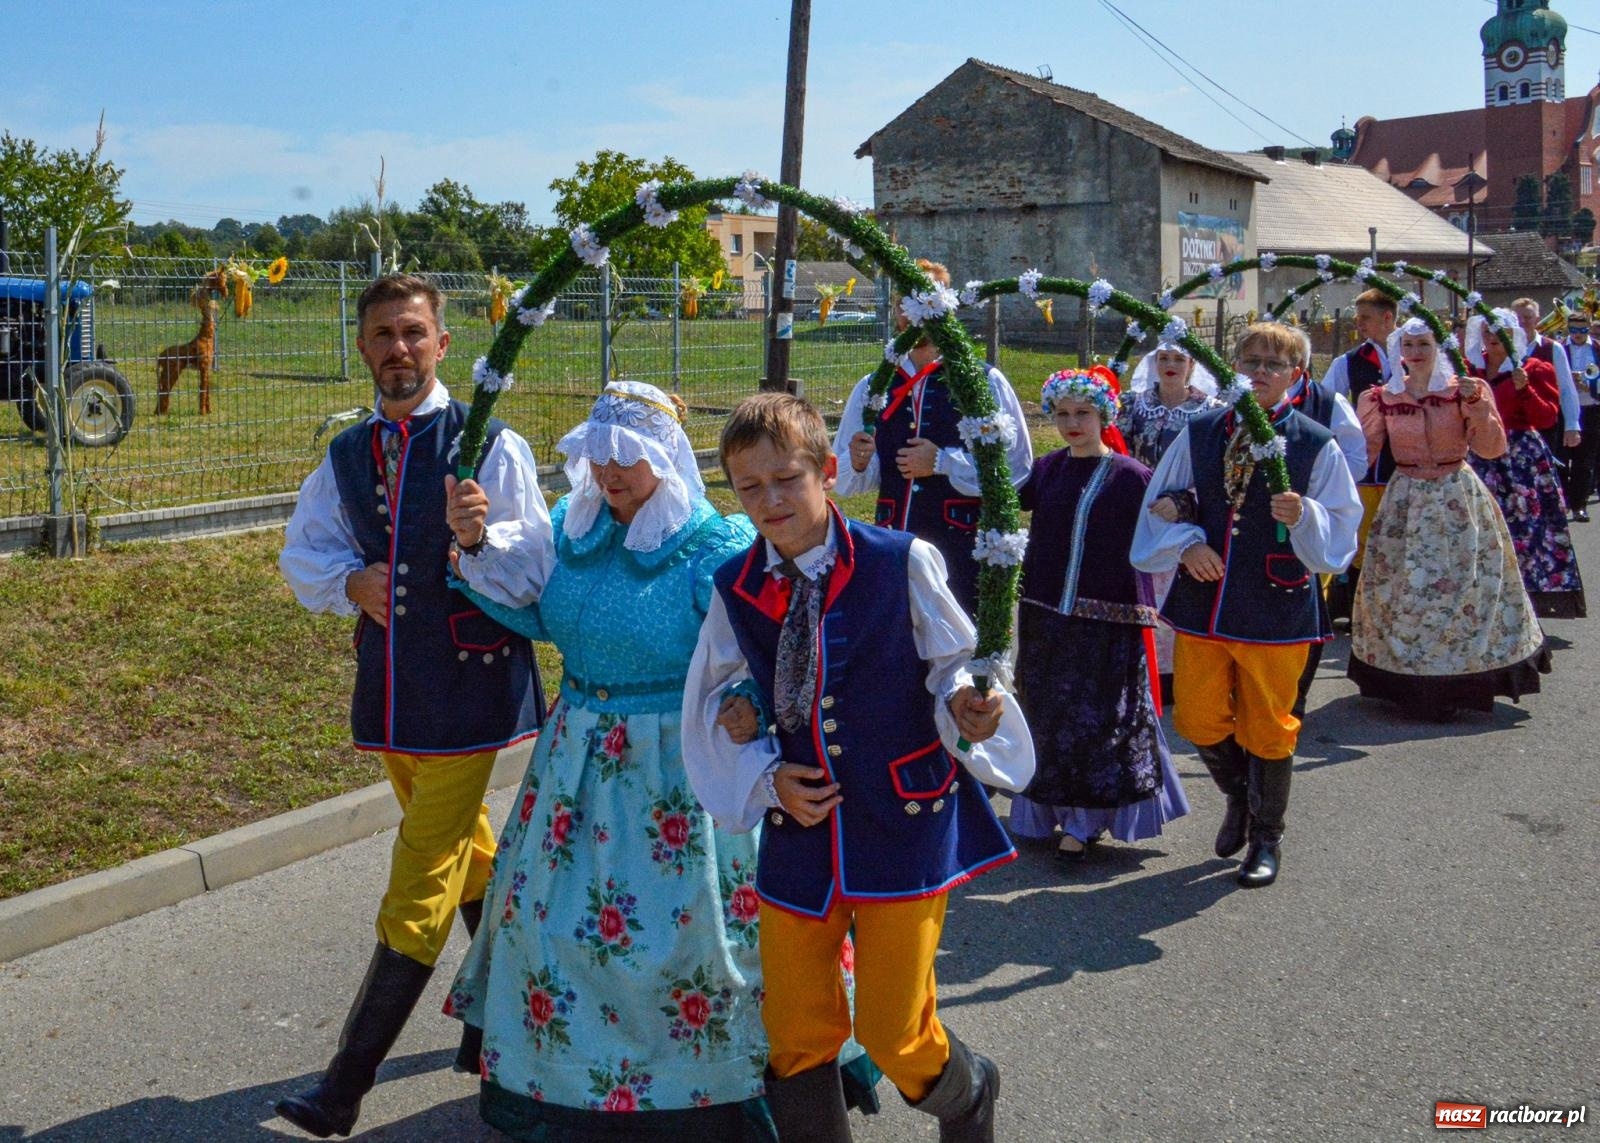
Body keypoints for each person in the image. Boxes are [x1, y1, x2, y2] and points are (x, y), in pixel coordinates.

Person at [685, 392, 1035, 1143]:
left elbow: (954, 666)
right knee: (795, 1028)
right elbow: (711, 697)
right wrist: (762, 775)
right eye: (751, 487)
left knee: (892, 1032)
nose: (771, 500)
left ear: (829, 470)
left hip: (902, 823)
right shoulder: (734, 585)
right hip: (799, 828)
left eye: (788, 478)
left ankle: (970, 1093)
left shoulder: (899, 560)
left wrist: (971, 711)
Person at [441, 381, 777, 1141]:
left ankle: (704, 1090)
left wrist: (749, 696)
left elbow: (763, 634)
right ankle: (560, 1079)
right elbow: (533, 610)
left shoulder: (710, 544)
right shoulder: (572, 528)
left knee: (683, 936)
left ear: (663, 456)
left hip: (675, 762)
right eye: (598, 454)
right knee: (547, 921)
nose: (611, 470)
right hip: (575, 755)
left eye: (627, 456)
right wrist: (471, 551)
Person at [276, 273, 548, 1138]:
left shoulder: (487, 442)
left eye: (414, 332)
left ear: (441, 342)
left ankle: (345, 1085)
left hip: (472, 692)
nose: (399, 347)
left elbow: (534, 562)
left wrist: (475, 535)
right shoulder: (347, 453)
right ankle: (497, 1021)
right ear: (363, 347)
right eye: (383, 334)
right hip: (391, 691)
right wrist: (347, 579)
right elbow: (304, 551)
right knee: (469, 854)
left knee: (422, 871)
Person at [1132, 323, 1361, 889]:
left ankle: (1266, 835)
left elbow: (1342, 529)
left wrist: (1304, 515)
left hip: (1275, 603)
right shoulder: (1202, 430)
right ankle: (1239, 796)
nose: (1259, 372)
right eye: (1250, 361)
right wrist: (1189, 544)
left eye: (1274, 365)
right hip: (1205, 603)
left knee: (1269, 727)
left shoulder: (1314, 441)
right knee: (1197, 719)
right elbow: (1161, 504)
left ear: (1296, 377)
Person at [1008, 367, 1190, 862]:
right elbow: (1002, 500)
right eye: (1063, 414)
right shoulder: (1047, 469)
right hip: (1045, 611)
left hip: (1108, 618)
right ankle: (1044, 813)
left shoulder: (1130, 476)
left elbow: (1173, 511)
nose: (1072, 423)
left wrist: (1181, 505)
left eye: (1083, 413)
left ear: (1103, 415)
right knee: (1047, 713)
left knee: (1099, 719)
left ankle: (1084, 825)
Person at [1348, 318, 1551, 713]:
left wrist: (1478, 407)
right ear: (1398, 350)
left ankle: (1466, 679)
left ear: (1439, 347)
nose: (1416, 353)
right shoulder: (1381, 397)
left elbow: (1493, 448)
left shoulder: (1465, 391)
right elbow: (1362, 455)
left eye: (1424, 344)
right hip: (1406, 498)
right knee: (1404, 588)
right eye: (1409, 345)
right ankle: (1410, 680)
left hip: (1456, 495)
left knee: (1467, 586)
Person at [833, 259, 1033, 617]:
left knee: (959, 643)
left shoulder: (982, 381)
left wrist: (942, 462)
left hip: (959, 548)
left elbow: (1015, 468)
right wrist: (860, 462)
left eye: (925, 303)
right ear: (896, 312)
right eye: (904, 305)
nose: (913, 315)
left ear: (944, 308)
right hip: (896, 542)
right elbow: (844, 481)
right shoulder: (874, 386)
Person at [1115, 340, 1223, 695]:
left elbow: (1218, 473)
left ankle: (1176, 674)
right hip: (1137, 510)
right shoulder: (1133, 405)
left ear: (1192, 365)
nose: (1171, 365)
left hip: (1185, 517)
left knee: (1176, 592)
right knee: (1136, 587)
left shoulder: (1210, 411)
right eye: (1163, 358)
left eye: (1179, 359)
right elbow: (1117, 451)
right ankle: (1141, 666)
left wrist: (1182, 501)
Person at [1466, 311, 1587, 620]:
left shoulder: (1533, 367)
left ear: (1513, 334)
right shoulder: (1469, 369)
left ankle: (1525, 603)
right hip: (1480, 454)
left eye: (1501, 330)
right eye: (1487, 330)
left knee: (1527, 530)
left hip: (1521, 460)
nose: (1493, 336)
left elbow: (1546, 416)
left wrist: (1525, 388)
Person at [1280, 325, 1367, 716]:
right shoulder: (1239, 405)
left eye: (1276, 362)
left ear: (1299, 369)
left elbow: (1356, 461)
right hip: (1262, 521)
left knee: (1308, 603)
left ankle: (1296, 695)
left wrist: (1317, 491)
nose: (1260, 373)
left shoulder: (1328, 403)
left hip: (1313, 518)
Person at [1319, 289, 1397, 627]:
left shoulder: (1414, 356)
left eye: (1365, 317)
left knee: (1399, 536)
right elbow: (1324, 406)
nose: (1358, 323)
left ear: (1388, 318)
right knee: (1362, 539)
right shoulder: (1347, 363)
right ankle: (1360, 611)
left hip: (1406, 465)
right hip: (1365, 467)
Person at [1511, 297, 1583, 507]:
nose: (1522, 322)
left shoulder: (1553, 348)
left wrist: (1572, 425)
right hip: (1512, 425)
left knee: (1545, 478)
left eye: (1527, 317)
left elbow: (1567, 389)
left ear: (1537, 319)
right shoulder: (1501, 348)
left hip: (1545, 423)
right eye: (1517, 318)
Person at [1561, 311, 1599, 522]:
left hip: (1590, 408)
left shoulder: (1597, 349)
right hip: (1564, 410)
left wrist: (1589, 385)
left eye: (1582, 330)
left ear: (1589, 327)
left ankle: (1579, 506)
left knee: (1585, 462)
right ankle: (1563, 501)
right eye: (1573, 330)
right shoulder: (1558, 347)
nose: (1577, 334)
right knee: (1562, 459)